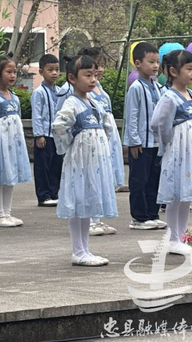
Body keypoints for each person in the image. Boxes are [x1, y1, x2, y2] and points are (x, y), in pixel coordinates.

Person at [53, 54, 118, 267]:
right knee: (78, 202)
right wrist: (71, 143)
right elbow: (59, 125)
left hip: (94, 162)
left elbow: (106, 126)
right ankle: (78, 251)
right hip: (80, 161)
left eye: (94, 75)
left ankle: (85, 249)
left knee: (86, 203)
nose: (93, 79)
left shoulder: (94, 102)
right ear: (72, 78)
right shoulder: (71, 103)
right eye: (87, 75)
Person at [151, 50, 192, 256]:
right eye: (189, 69)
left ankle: (181, 236)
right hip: (178, 151)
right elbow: (158, 123)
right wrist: (169, 142)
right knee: (175, 195)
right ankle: (173, 238)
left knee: (186, 195)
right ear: (173, 71)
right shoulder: (169, 97)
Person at [0, 53, 31, 228]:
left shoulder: (15, 97)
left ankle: (7, 213)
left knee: (10, 177)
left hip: (13, 143)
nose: (12, 75)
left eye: (14, 72)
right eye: (8, 72)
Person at [124, 42, 166, 230]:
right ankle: (139, 217)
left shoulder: (157, 86)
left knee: (154, 180)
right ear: (138, 63)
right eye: (151, 62)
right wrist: (134, 141)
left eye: (157, 61)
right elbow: (132, 116)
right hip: (141, 144)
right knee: (139, 180)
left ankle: (152, 214)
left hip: (156, 143)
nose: (155, 65)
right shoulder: (136, 88)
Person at [82, 47, 122, 237]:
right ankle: (89, 221)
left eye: (101, 65)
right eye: (96, 65)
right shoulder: (80, 91)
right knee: (91, 179)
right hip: (90, 139)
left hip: (105, 138)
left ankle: (97, 218)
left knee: (102, 178)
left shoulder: (99, 87)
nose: (100, 70)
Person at [31, 54, 62, 208]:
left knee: (56, 165)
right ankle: (43, 195)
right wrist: (39, 135)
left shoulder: (61, 91)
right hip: (44, 135)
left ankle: (54, 193)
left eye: (57, 69)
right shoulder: (39, 92)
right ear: (41, 72)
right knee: (43, 166)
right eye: (50, 70)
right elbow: (37, 114)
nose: (54, 73)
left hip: (57, 136)